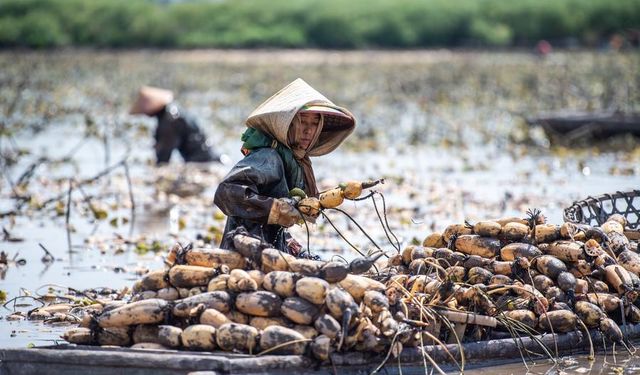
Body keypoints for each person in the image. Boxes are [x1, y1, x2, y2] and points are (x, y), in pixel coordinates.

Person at [214, 78, 356, 254]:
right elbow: (226, 192)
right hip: (244, 252)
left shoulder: (294, 162)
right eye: (303, 121)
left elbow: (272, 226)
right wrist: (276, 209)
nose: (308, 130)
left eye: (314, 124)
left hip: (269, 249)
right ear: (288, 124)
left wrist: (290, 243)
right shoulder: (268, 157)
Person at [130, 86, 221, 164]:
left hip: (203, 161)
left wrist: (159, 167)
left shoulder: (170, 120)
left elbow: (164, 154)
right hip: (204, 157)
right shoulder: (171, 113)